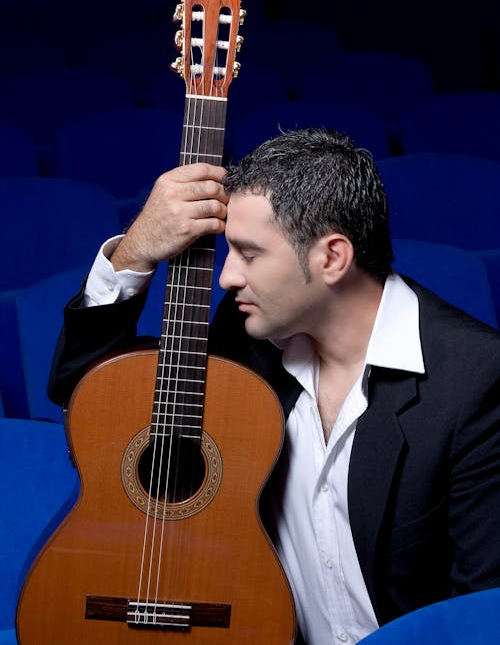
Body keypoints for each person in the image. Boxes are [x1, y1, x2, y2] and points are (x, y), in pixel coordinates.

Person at [49, 128, 500, 645]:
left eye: (249, 253)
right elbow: (85, 391)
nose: (227, 277)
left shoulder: (476, 382)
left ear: (332, 257)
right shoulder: (248, 337)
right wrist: (133, 253)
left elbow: (480, 613)